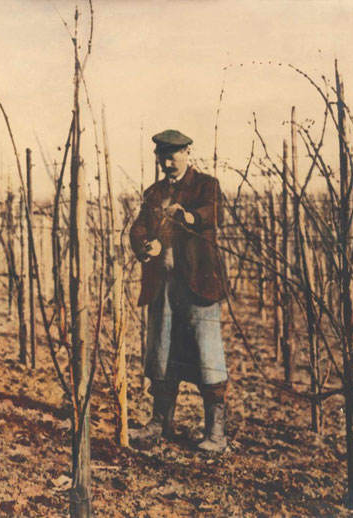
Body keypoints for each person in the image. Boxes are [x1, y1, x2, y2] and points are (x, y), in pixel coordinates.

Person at [129, 129, 229, 453]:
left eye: (173, 155)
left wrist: (187, 216)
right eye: (162, 156)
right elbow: (140, 225)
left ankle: (216, 433)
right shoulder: (153, 193)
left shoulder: (205, 185)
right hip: (164, 285)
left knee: (208, 355)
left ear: (188, 152)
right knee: (160, 353)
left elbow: (212, 214)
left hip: (199, 285)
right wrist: (144, 243)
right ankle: (161, 423)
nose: (167, 162)